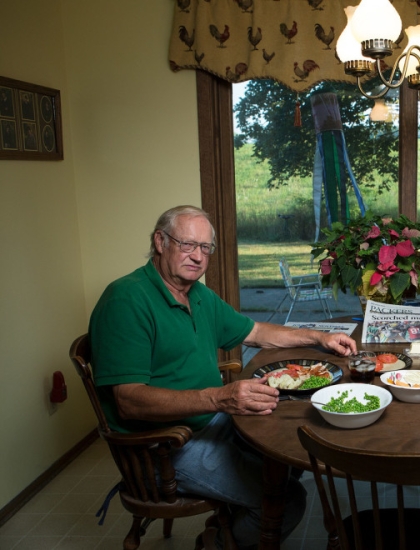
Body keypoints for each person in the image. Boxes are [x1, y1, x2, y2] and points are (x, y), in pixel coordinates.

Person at [89, 205, 358, 550]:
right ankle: (217, 542)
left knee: (293, 447)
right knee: (288, 500)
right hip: (165, 446)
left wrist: (317, 337)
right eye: (187, 245)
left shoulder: (196, 294)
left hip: (211, 421)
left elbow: (257, 331)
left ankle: (231, 515)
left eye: (205, 248)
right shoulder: (126, 300)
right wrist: (218, 398)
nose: (198, 257)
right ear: (160, 241)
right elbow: (128, 400)